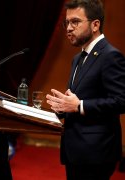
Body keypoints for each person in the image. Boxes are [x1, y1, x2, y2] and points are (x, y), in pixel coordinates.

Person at [46, 0, 125, 179]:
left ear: (95, 24)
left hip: (96, 153)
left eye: (75, 22)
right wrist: (62, 107)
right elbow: (75, 100)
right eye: (67, 22)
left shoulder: (110, 56)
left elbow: (121, 101)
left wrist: (80, 105)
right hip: (76, 150)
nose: (69, 28)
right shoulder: (78, 58)